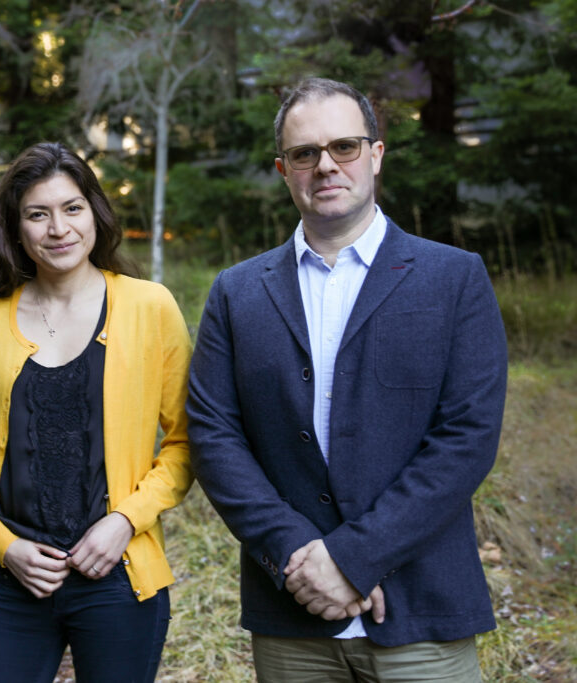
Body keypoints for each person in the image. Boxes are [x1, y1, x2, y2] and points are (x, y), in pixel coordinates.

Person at [186, 77, 508, 681]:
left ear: (376, 155)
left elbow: (467, 438)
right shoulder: (237, 292)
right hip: (292, 615)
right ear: (284, 170)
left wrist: (355, 560)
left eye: (345, 147)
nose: (326, 166)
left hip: (422, 614)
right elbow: (213, 436)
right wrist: (295, 558)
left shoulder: (454, 278)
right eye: (305, 154)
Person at [0, 142, 193, 682]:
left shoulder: (150, 307)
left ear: (95, 214)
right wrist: (4, 546)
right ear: (16, 229)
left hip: (117, 572)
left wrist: (124, 522)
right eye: (38, 214)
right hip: (12, 577)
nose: (58, 228)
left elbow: (184, 444)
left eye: (72, 208)